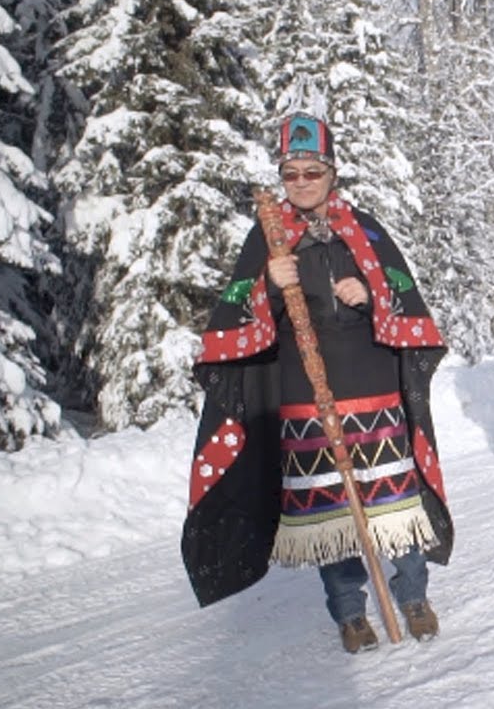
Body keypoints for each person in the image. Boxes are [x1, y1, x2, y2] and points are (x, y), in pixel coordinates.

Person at [181, 113, 454, 654]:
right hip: (303, 396)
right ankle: (351, 613)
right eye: (291, 173)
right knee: (330, 514)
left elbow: (411, 308)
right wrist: (268, 289)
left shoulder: (366, 230)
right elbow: (229, 326)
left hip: (373, 389)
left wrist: (372, 298)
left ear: (332, 172)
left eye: (312, 171)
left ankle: (414, 596)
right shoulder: (268, 236)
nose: (301, 182)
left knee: (394, 505)